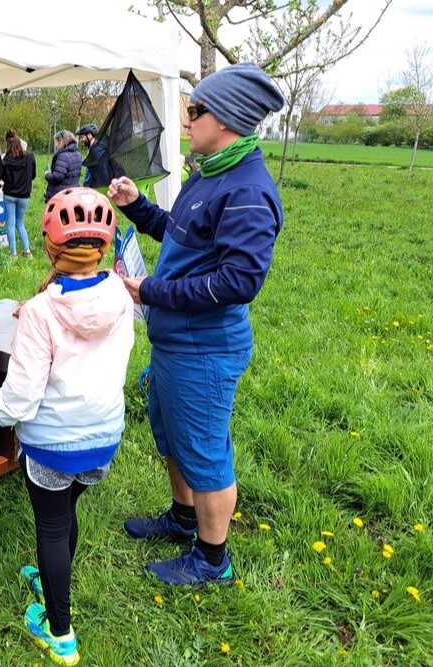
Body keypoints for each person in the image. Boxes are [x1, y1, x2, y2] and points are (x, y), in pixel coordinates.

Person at [107, 62, 285, 586]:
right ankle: (183, 518)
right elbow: (180, 235)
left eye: (194, 111)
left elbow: (238, 283)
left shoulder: (248, 190)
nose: (185, 122)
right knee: (174, 435)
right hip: (175, 342)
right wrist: (138, 207)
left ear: (224, 118)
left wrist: (151, 291)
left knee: (205, 450)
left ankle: (212, 559)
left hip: (204, 349)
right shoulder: (210, 173)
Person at [0, 188, 135, 666]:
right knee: (66, 510)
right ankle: (53, 577)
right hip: (104, 437)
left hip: (53, 442)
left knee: (50, 527)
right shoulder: (119, 292)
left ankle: (60, 632)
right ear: (104, 246)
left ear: (51, 248)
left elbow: (23, 393)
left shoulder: (39, 312)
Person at [1, 129, 37, 259]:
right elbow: (33, 175)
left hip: (9, 195)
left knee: (10, 224)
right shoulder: (30, 157)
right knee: (20, 223)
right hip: (24, 196)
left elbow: (1, 177)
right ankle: (27, 251)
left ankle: (13, 253)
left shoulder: (5, 160)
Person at [43, 130, 82, 204]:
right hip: (73, 194)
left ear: (61, 141)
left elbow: (58, 176)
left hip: (60, 195)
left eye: (56, 142)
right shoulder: (78, 154)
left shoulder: (62, 156)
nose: (55, 145)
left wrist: (47, 174)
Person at [74, 123, 113, 190]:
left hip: (97, 190)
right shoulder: (97, 148)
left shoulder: (97, 151)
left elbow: (103, 175)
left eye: (82, 137)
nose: (80, 141)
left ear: (89, 135)